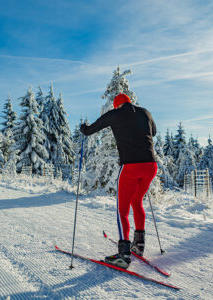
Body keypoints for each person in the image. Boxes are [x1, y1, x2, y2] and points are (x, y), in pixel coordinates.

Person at [80, 93, 157, 269]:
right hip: (150, 166)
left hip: (130, 167)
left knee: (122, 209)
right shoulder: (145, 112)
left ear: (116, 105)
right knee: (137, 202)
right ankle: (139, 245)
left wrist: (83, 129)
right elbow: (153, 132)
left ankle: (123, 254)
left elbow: (91, 130)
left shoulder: (115, 114)